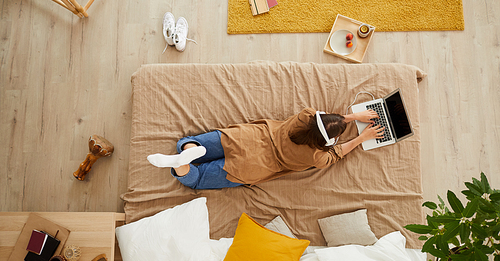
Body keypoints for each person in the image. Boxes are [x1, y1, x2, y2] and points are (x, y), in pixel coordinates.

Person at [147, 108, 385, 189]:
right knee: (196, 180)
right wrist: (361, 136)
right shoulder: (319, 156)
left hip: (246, 138)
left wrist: (351, 116)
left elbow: (321, 121)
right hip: (251, 167)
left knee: (191, 141)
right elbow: (337, 153)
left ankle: (188, 150)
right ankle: (182, 165)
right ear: (326, 142)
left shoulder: (305, 116)